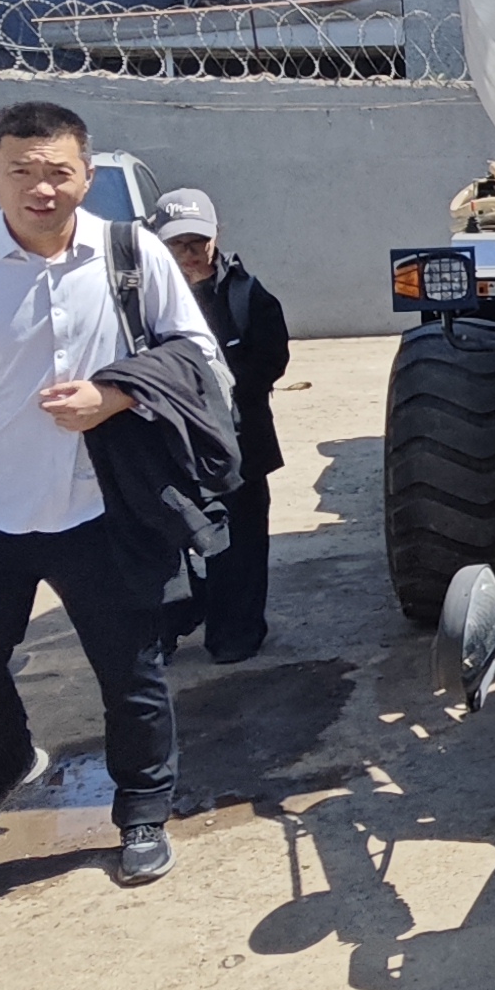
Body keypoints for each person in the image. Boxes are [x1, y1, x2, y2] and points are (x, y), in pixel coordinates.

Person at [0, 100, 222, 884]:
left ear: (86, 174)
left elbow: (203, 357)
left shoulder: (131, 253)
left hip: (103, 506)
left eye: (59, 172)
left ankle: (143, 810)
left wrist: (115, 398)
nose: (42, 189)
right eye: (22, 172)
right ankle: (4, 763)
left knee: (132, 673)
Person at [151, 188, 289, 663]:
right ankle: (166, 630)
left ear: (215, 238)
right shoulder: (140, 299)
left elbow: (272, 359)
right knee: (164, 543)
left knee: (240, 543)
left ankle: (236, 632)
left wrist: (215, 392)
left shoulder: (247, 295)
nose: (189, 255)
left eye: (197, 243)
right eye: (177, 245)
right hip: (164, 446)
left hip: (239, 445)